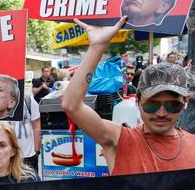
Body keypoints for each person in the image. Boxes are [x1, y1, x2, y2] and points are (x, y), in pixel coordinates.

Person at [62, 16, 195, 175]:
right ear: (138, 101)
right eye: (151, 105)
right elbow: (72, 105)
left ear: (185, 101)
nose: (161, 113)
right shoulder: (119, 139)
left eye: (173, 105)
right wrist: (97, 47)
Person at [0, 93, 42, 174]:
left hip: (26, 155)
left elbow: (37, 126)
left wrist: (36, 151)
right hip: (2, 156)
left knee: (29, 184)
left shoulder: (28, 100)